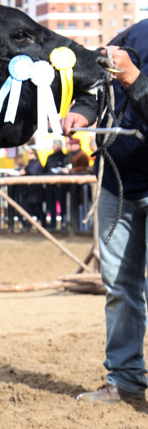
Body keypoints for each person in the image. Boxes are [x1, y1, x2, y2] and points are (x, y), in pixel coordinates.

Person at [66, 20, 148, 403]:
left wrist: (134, 80)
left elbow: (126, 81)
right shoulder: (135, 34)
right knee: (118, 288)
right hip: (119, 184)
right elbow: (98, 84)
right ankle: (126, 379)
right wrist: (82, 112)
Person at [43, 139, 67, 230]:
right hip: (50, 185)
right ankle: (52, 224)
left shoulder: (64, 157)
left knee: (62, 204)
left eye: (54, 145)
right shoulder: (50, 157)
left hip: (60, 185)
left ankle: (64, 224)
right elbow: (45, 170)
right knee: (51, 204)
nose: (53, 147)